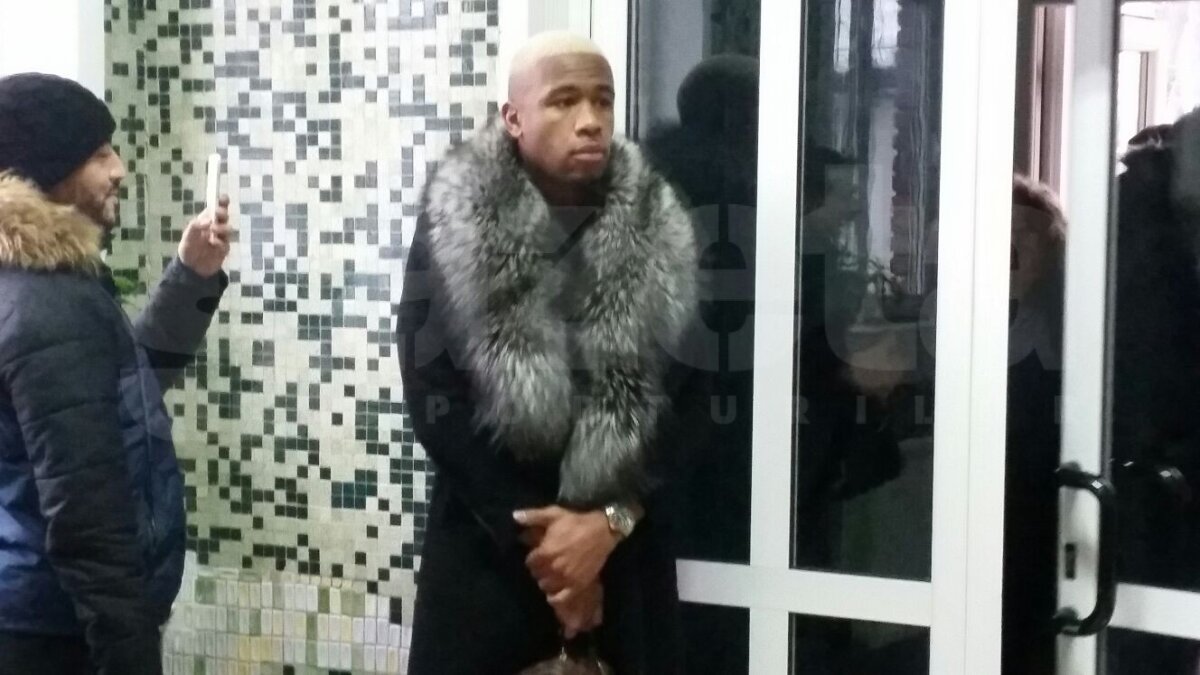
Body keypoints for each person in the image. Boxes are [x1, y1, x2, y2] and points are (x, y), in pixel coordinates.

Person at [397, 32, 699, 674]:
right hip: (488, 555)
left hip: (625, 561)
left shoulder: (659, 227)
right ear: (513, 118)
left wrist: (607, 525)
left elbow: (691, 397)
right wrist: (554, 559)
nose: (590, 120)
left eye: (602, 101)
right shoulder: (455, 227)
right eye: (564, 101)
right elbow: (434, 396)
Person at [0, 73, 231, 675]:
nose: (120, 169)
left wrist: (193, 276)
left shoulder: (44, 285)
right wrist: (129, 652)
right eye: (99, 154)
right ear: (49, 171)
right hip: (57, 630)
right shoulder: (46, 303)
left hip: (43, 615)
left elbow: (127, 387)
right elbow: (87, 515)